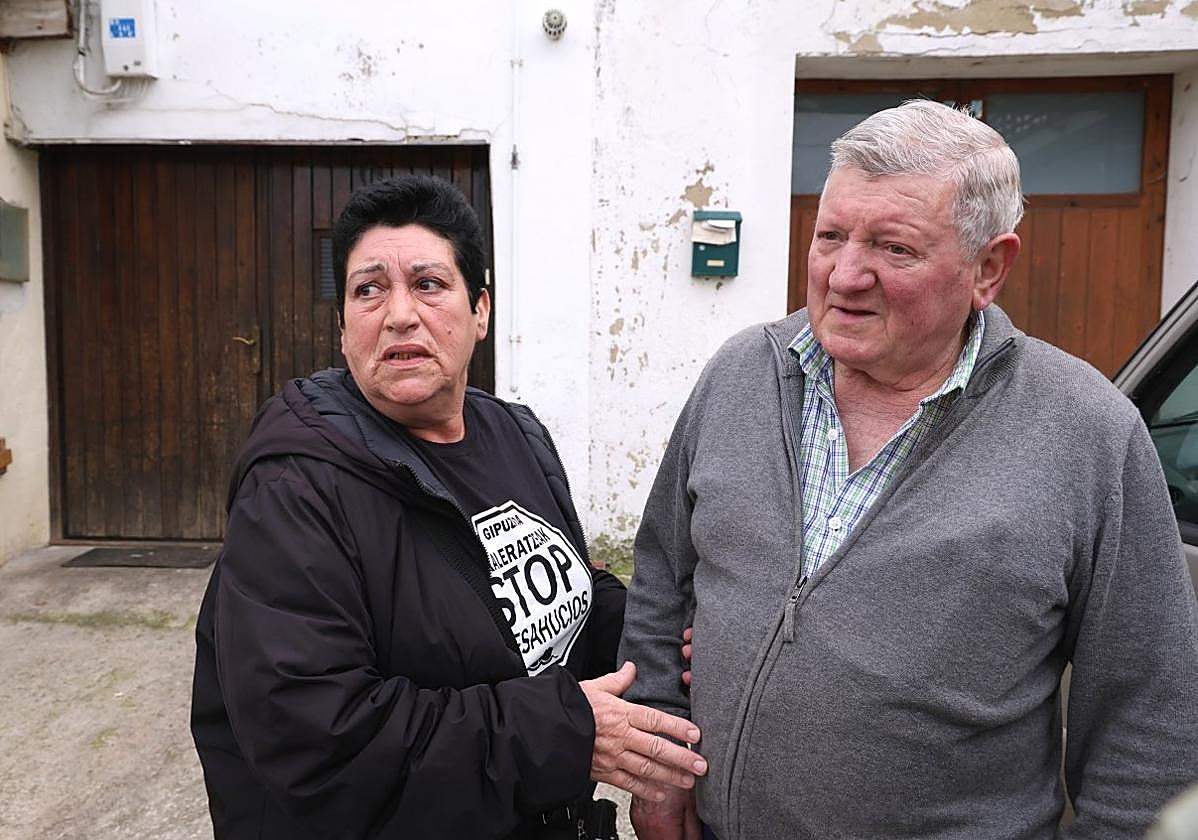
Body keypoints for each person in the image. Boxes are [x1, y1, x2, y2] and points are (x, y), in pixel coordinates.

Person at [619, 99, 1198, 840]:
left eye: (895, 249)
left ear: (989, 267)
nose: (846, 275)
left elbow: (1147, 714)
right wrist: (660, 774)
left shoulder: (1088, 431)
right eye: (830, 236)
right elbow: (663, 580)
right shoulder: (741, 374)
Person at [190, 174, 707, 839]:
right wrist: (566, 731)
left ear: (480, 310)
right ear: (343, 327)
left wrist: (653, 635)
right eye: (368, 289)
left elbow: (556, 597)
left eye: (429, 284)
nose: (399, 313)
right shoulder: (295, 489)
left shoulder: (514, 433)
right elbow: (318, 742)